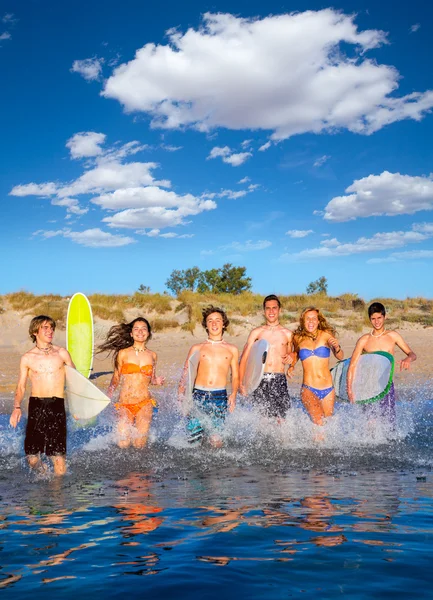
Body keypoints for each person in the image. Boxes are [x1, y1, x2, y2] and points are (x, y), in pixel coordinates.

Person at [9, 315, 75, 476]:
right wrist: (16, 407)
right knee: (32, 458)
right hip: (36, 406)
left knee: (58, 457)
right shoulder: (28, 357)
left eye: (52, 327)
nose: (50, 330)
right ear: (35, 331)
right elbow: (21, 386)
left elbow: (76, 382)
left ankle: (58, 495)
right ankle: (43, 474)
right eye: (45, 327)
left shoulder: (62, 353)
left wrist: (78, 407)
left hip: (57, 405)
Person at [98, 317, 164, 449]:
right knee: (123, 443)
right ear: (131, 334)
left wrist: (157, 381)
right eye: (136, 329)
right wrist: (108, 395)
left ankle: (140, 469)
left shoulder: (153, 355)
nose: (140, 331)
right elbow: (116, 377)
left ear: (149, 333)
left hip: (144, 403)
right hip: (125, 403)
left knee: (139, 444)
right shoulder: (123, 353)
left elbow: (151, 379)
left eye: (144, 329)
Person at [178, 306, 239, 447]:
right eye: (210, 320)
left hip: (219, 397)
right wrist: (181, 397)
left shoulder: (232, 349)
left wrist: (234, 394)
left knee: (216, 440)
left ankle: (216, 468)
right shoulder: (197, 348)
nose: (214, 323)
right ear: (206, 325)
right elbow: (186, 374)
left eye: (218, 320)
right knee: (194, 440)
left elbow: (235, 376)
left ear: (224, 324)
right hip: (198, 395)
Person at [347, 302, 417, 421]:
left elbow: (412, 354)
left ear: (385, 317)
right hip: (367, 385)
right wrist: (349, 389)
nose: (377, 321)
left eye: (379, 317)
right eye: (373, 319)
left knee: (388, 421)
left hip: (385, 384)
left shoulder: (393, 336)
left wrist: (408, 359)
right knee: (370, 421)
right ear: (370, 320)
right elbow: (352, 365)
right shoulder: (364, 340)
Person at [239, 295, 293, 420]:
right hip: (260, 379)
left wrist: (292, 361)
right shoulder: (257, 332)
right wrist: (242, 384)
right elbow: (245, 358)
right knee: (262, 420)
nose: (271, 311)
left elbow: (293, 355)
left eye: (274, 308)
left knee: (281, 420)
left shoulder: (288, 334)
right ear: (264, 311)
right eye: (268, 308)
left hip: (279, 379)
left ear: (280, 310)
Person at [292, 307, 343, 427]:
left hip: (328, 389)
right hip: (309, 388)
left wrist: (337, 348)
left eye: (314, 318)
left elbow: (340, 356)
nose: (311, 322)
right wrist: (291, 366)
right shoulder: (297, 338)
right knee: (319, 421)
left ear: (318, 320)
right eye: (307, 319)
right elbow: (295, 354)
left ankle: (315, 445)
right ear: (303, 321)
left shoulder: (326, 335)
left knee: (326, 426)